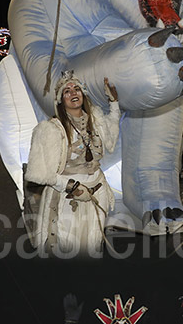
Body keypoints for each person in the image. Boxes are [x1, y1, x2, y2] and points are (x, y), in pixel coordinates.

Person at [23, 70, 120, 256]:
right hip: (66, 197)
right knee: (67, 245)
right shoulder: (50, 129)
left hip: (97, 192)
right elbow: (39, 173)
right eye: (67, 92)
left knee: (92, 244)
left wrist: (114, 104)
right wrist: (71, 186)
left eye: (77, 89)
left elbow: (111, 140)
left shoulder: (96, 121)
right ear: (60, 100)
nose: (73, 93)